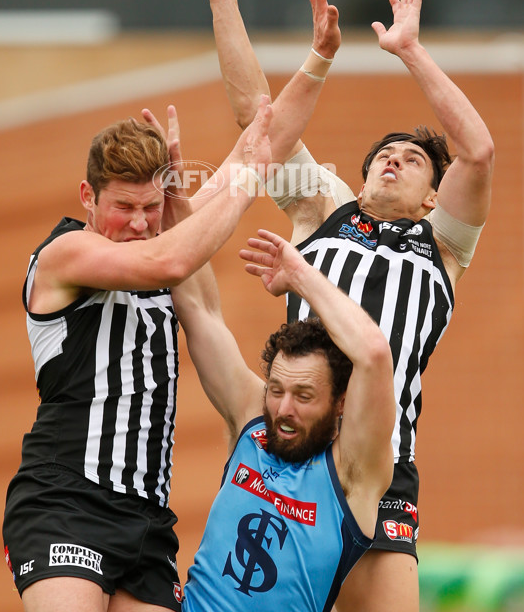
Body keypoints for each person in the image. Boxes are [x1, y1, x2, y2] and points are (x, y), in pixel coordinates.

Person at [169, 0, 495, 612]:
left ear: (434, 195)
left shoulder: (444, 246)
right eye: (385, 152)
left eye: (412, 159)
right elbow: (256, 120)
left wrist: (408, 51)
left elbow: (479, 152)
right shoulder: (325, 209)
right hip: (297, 444)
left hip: (376, 467)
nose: (394, 158)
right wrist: (225, 1)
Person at [1, 22, 339, 612]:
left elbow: (262, 145)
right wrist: (237, 183)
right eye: (122, 207)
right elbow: (176, 254)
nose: (137, 222)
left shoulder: (161, 233)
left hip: (147, 520)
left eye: (151, 206)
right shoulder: (66, 254)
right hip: (65, 499)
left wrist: (317, 59)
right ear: (88, 197)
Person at [169, 227, 395, 612]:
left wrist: (301, 276)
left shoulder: (351, 473)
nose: (284, 409)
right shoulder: (251, 421)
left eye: (304, 396)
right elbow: (198, 308)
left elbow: (373, 355)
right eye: (276, 390)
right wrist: (169, 203)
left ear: (340, 403)